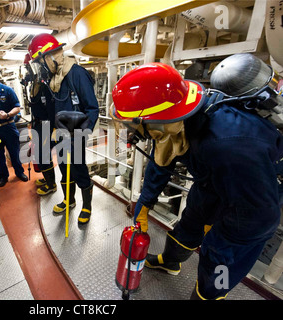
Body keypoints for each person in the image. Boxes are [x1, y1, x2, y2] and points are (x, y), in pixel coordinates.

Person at [110, 55, 283, 300]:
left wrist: (222, 241)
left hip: (251, 201)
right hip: (213, 179)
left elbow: (260, 215)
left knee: (221, 261)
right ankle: (170, 262)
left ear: (157, 121)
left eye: (132, 124)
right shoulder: (179, 120)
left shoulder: (228, 145)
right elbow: (163, 158)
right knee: (188, 225)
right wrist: (145, 203)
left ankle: (209, 295)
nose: (131, 131)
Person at [28, 33, 99, 224]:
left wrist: (82, 132)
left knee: (78, 170)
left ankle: (87, 206)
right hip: (59, 134)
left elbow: (92, 108)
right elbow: (50, 110)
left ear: (50, 56)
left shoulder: (77, 74)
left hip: (76, 133)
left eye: (40, 61)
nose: (41, 66)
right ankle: (69, 200)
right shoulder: (52, 80)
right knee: (64, 169)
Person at [23, 53, 57, 196]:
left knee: (44, 155)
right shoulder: (34, 85)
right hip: (38, 125)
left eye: (29, 67)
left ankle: (51, 184)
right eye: (27, 68)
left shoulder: (45, 85)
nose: (28, 71)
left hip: (45, 126)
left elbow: (50, 109)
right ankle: (47, 178)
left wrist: (53, 129)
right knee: (40, 154)